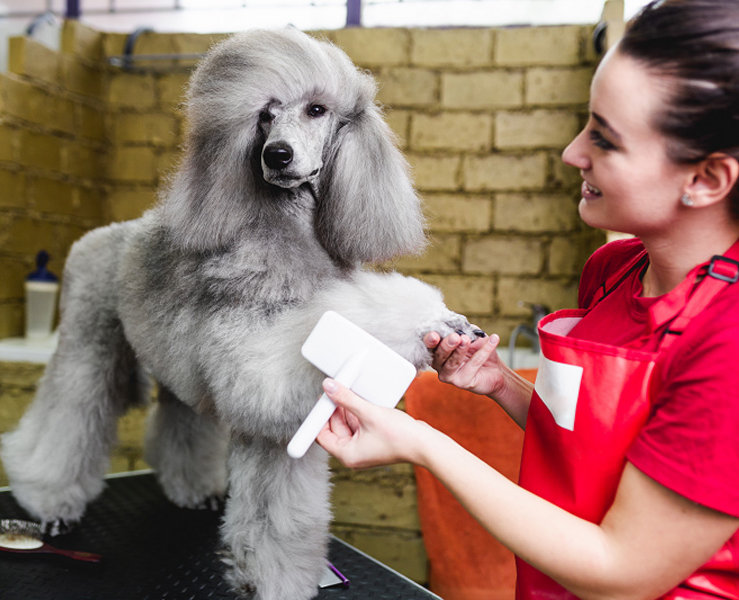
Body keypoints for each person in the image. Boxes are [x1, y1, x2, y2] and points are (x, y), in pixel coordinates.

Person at [315, 1, 739, 598]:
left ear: (707, 179)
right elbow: (588, 442)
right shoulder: (615, 271)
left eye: (605, 139)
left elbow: (623, 571)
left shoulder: (729, 343)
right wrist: (501, 386)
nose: (572, 153)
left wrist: (424, 444)